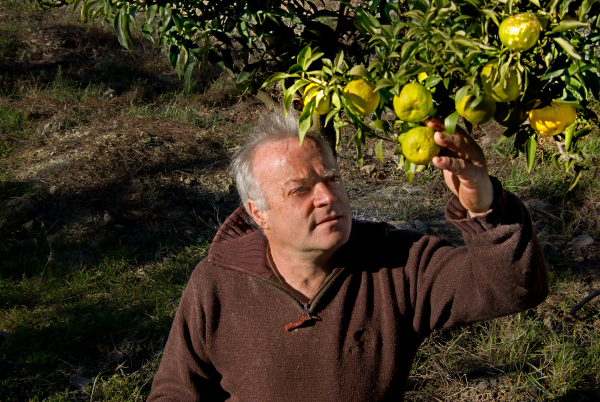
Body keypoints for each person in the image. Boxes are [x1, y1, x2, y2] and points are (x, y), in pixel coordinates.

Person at [147, 109, 548, 402]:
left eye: (331, 178)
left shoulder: (397, 262)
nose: (327, 197)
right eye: (299, 189)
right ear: (258, 213)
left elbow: (512, 288)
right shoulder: (218, 280)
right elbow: (177, 391)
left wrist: (483, 204)